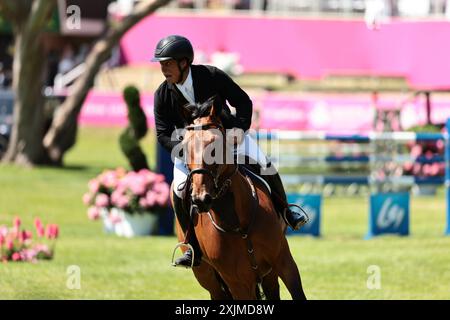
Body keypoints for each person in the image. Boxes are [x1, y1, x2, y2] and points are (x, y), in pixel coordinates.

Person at [152, 35, 308, 268]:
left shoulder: (212, 76)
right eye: (161, 64)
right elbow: (162, 133)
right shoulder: (162, 94)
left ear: (184, 63)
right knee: (178, 189)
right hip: (191, 151)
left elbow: (243, 102)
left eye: (167, 63)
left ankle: (287, 211)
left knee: (265, 164)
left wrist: (238, 130)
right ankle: (190, 245)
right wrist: (184, 152)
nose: (163, 69)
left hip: (228, 139)